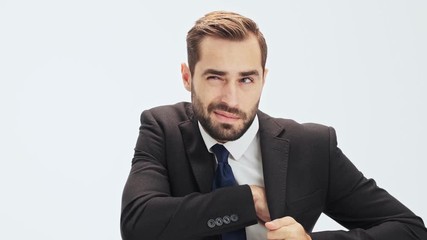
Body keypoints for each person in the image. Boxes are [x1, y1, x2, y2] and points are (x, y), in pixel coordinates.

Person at [120, 11, 427, 240]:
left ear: (264, 78)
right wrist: (247, 200)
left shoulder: (312, 146)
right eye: (215, 77)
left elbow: (410, 230)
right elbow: (138, 224)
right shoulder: (162, 128)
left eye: (246, 79)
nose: (232, 98)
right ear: (187, 76)